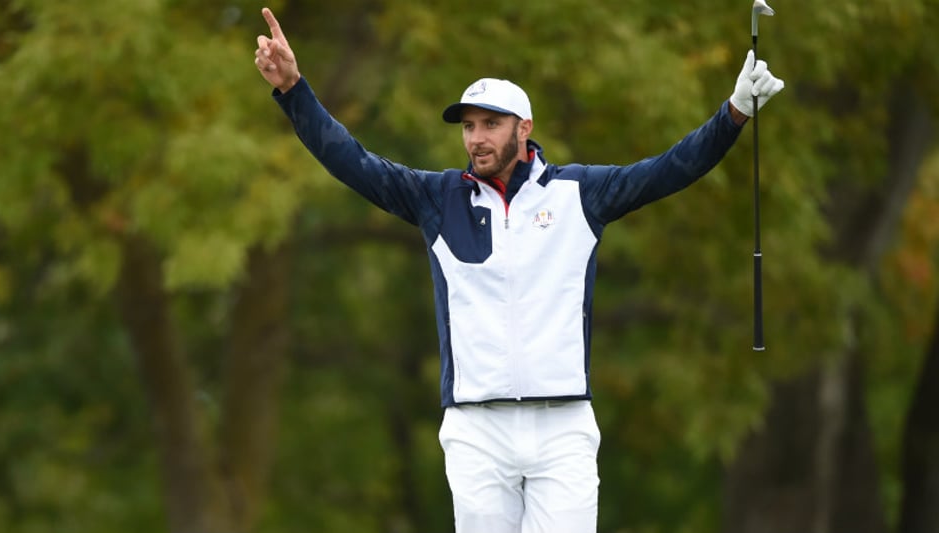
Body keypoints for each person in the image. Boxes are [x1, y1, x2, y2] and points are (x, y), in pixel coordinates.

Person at [253, 7, 784, 533]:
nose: (476, 138)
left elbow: (670, 169)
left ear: (524, 128)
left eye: (490, 124)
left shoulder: (580, 193)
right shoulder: (437, 198)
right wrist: (294, 90)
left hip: (563, 426)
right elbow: (351, 160)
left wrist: (735, 111)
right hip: (476, 429)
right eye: (468, 127)